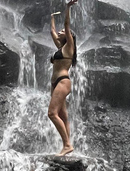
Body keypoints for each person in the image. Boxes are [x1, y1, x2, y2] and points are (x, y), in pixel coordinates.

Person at [49, 0, 79, 156]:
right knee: (63, 116)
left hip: (63, 81)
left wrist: (67, 8)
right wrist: (52, 18)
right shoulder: (60, 48)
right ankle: (67, 145)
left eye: (63, 32)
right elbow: (52, 31)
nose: (60, 31)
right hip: (55, 83)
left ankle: (67, 145)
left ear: (69, 37)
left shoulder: (69, 47)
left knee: (52, 114)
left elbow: (67, 26)